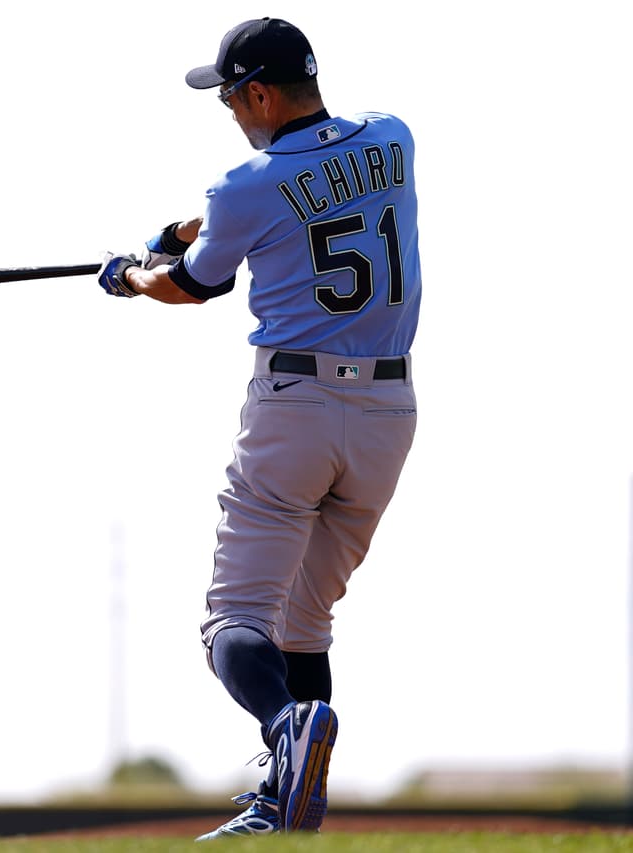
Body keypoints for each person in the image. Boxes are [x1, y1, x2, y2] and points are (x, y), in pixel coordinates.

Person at [96, 17, 421, 840]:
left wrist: (133, 275)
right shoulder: (393, 138)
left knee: (233, 620)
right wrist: (182, 232)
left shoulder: (242, 185)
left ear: (264, 93)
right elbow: (294, 199)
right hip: (386, 414)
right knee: (305, 622)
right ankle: (290, 804)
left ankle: (285, 730)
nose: (232, 110)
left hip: (295, 407)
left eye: (235, 96)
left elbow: (193, 288)